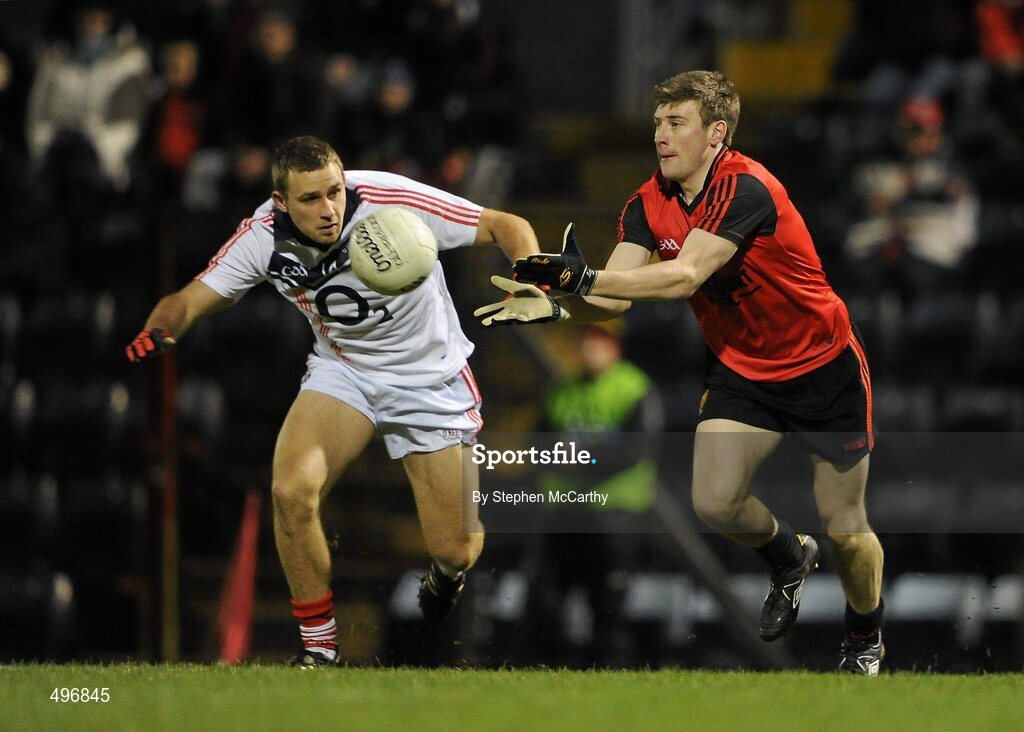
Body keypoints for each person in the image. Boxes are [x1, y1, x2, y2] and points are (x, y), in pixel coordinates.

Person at [476, 71, 886, 674]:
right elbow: (614, 299)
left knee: (846, 529)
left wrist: (581, 279)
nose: (662, 138)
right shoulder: (646, 201)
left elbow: (683, 276)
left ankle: (864, 636)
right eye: (658, 125)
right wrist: (557, 295)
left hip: (823, 368)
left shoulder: (748, 187)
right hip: (743, 370)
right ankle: (788, 556)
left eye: (677, 124)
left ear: (717, 133)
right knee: (715, 504)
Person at [126, 135, 540, 667]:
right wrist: (162, 329)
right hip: (345, 372)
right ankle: (320, 652)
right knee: (292, 491)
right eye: (310, 200)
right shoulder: (262, 238)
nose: (328, 210)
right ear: (281, 203)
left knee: (455, 548)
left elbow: (508, 226)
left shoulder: (389, 199)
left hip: (429, 378)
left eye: (333, 192)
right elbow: (188, 300)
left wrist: (534, 286)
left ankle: (445, 576)